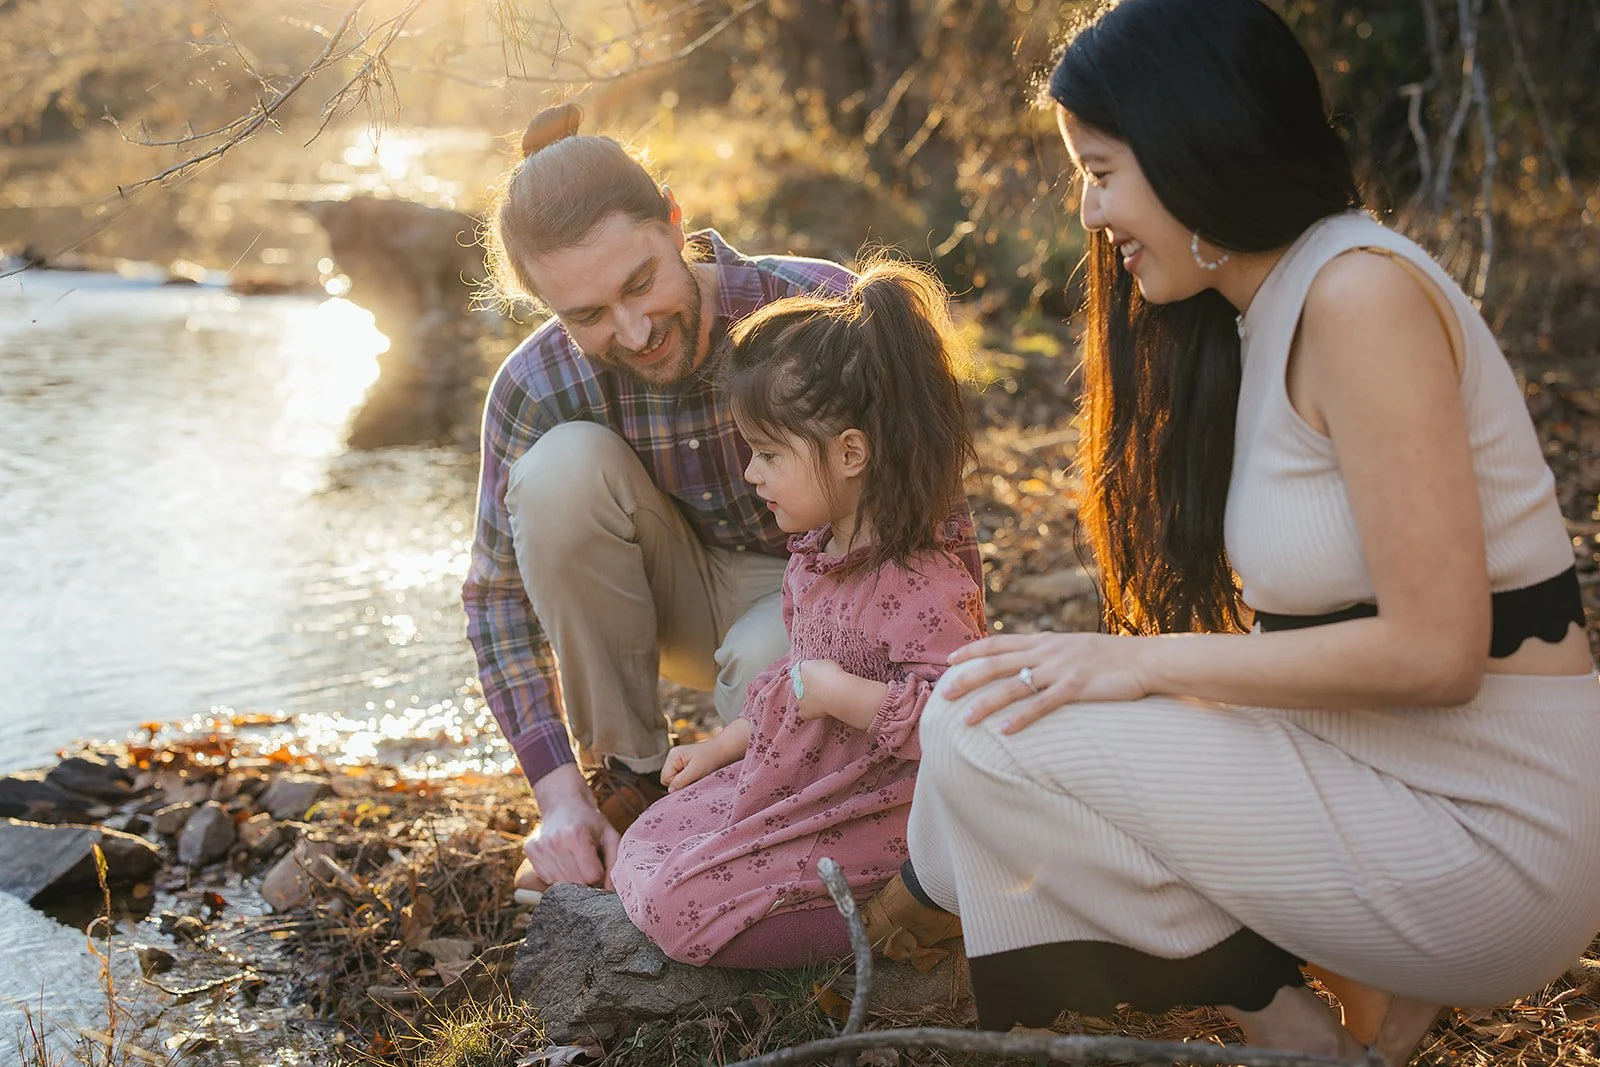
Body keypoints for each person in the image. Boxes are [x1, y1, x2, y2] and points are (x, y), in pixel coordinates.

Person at [896, 1, 1600, 1063]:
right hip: (1390, 775)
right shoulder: (1258, 310)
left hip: (1494, 829)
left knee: (978, 724)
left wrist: (1137, 669)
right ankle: (1340, 991)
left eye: (1100, 171)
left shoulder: (1358, 295)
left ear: (1192, 149)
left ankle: (1286, 1021)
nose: (1090, 215)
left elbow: (1436, 650)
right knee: (983, 716)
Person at [465, 104, 981, 893]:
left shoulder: (815, 312)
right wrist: (557, 793)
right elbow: (497, 598)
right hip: (669, 593)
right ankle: (628, 778)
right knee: (557, 471)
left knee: (768, 658)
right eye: (588, 315)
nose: (634, 331)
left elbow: (931, 509)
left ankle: (769, 811)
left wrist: (944, 690)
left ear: (674, 223)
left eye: (640, 282)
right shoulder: (535, 385)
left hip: (831, 603)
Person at [608, 259, 986, 967]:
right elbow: (790, 681)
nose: (751, 473)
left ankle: (880, 925)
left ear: (850, 453)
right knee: (647, 841)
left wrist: (849, 696)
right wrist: (722, 746)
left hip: (875, 810)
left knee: (677, 906)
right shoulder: (813, 557)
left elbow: (958, 722)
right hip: (799, 781)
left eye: (768, 453)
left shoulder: (926, 586)